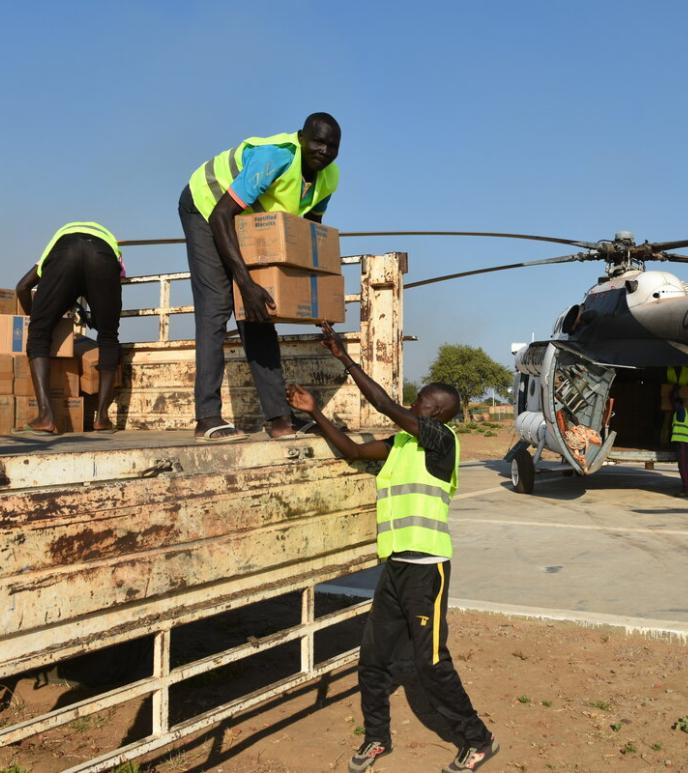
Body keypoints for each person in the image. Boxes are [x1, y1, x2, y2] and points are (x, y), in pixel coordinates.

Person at [286, 322, 499, 773]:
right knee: (374, 660)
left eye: (422, 402)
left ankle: (477, 739)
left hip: (427, 570)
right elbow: (352, 451)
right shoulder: (402, 443)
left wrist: (345, 358)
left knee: (432, 662)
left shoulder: (442, 442)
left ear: (437, 413)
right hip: (396, 569)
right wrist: (314, 413)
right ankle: (377, 738)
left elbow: (382, 403)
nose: (411, 404)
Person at [179, 113, 341, 442]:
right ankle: (207, 418)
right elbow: (222, 214)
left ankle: (280, 420)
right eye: (317, 142)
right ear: (301, 137)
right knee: (216, 307)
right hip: (208, 205)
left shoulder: (330, 177)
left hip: (247, 221)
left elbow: (304, 236)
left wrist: (309, 301)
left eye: (332, 146)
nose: (323, 151)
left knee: (258, 314)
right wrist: (246, 281)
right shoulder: (275, 157)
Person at [16, 221, 123, 434]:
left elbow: (22, 287)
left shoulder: (56, 243)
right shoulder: (112, 244)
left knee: (38, 335)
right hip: (103, 257)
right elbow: (114, 281)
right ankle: (102, 418)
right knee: (108, 336)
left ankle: (46, 417)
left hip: (66, 253)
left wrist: (38, 320)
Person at [671, 395, 688, 496]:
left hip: (683, 443)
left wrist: (674, 393)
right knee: (682, 467)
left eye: (675, 403)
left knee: (683, 467)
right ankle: (686, 488)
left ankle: (686, 489)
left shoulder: (681, 410)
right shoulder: (679, 411)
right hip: (681, 443)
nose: (673, 405)